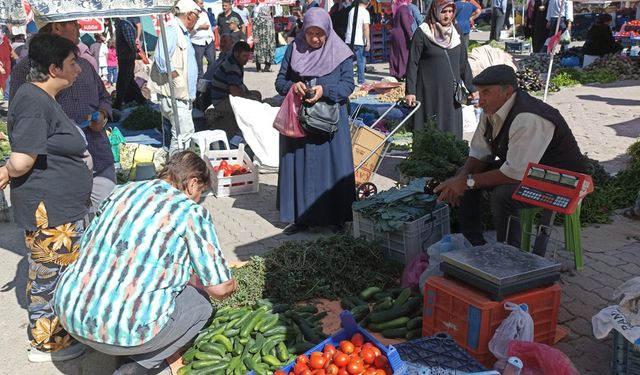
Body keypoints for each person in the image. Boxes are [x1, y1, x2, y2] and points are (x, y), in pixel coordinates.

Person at [54, 151, 237, 375]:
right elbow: (219, 288)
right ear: (192, 183)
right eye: (200, 192)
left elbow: (90, 245)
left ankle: (117, 344)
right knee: (202, 306)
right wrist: (232, 285)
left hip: (70, 314)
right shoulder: (190, 212)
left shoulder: (121, 191)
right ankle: (137, 367)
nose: (198, 199)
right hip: (125, 332)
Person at [0, 33, 92, 363]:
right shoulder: (32, 101)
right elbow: (23, 159)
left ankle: (61, 335)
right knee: (48, 278)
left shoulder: (39, 98)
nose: (78, 69)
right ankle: (47, 344)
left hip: (61, 206)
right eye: (72, 63)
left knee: (57, 273)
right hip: (50, 210)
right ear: (54, 69)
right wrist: (7, 170)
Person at [433, 65, 586, 250]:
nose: (480, 101)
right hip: (527, 170)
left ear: (507, 92)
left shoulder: (528, 118)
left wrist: (467, 182)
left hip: (561, 179)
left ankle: (509, 254)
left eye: (486, 93)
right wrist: (461, 178)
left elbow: (513, 174)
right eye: (480, 93)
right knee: (464, 176)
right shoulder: (491, 111)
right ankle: (473, 244)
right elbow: (480, 152)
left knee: (503, 195)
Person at [11, 20, 115, 218]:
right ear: (53, 70)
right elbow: (24, 130)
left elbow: (105, 98)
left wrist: (102, 114)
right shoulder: (28, 80)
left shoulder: (85, 65)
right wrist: (10, 169)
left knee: (103, 227)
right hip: (58, 177)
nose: (79, 28)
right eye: (74, 24)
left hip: (98, 158)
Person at [275, 8, 356, 235]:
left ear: (328, 31)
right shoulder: (294, 49)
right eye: (310, 33)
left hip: (329, 123)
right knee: (299, 166)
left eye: (319, 33)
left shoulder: (341, 53)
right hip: (300, 121)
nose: (315, 38)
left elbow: (348, 85)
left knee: (331, 169)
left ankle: (335, 218)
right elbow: (279, 82)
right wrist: (293, 86)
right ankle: (300, 218)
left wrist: (325, 90)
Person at [404, 0, 476, 139]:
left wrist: (472, 88)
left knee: (451, 130)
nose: (447, 16)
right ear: (435, 11)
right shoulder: (423, 32)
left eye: (450, 12)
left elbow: (463, 64)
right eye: (444, 11)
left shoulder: (457, 31)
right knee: (430, 127)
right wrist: (410, 91)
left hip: (451, 92)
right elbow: (412, 63)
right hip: (428, 92)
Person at [148, 0, 201, 155]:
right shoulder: (172, 29)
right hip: (175, 94)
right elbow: (160, 57)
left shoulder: (181, 31)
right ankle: (175, 172)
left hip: (182, 94)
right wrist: (173, 74)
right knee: (181, 135)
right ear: (189, 15)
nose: (197, 20)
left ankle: (180, 169)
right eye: (196, 16)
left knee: (184, 133)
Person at [209, 41, 261, 139]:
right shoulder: (232, 66)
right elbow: (235, 92)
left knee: (256, 94)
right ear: (237, 54)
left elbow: (239, 84)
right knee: (254, 102)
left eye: (248, 56)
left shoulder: (236, 63)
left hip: (227, 96)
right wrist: (249, 98)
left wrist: (249, 93)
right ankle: (244, 132)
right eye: (244, 56)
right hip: (221, 101)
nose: (246, 59)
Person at [114, 17, 147, 109]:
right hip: (125, 56)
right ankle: (135, 99)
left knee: (123, 80)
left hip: (126, 57)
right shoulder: (124, 25)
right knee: (128, 79)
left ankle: (119, 102)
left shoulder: (124, 24)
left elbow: (131, 42)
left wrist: (135, 51)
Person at [345, 0, 371, 85]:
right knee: (361, 61)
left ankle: (348, 79)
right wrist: (368, 41)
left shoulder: (352, 10)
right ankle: (361, 80)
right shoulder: (365, 12)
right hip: (359, 40)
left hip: (349, 39)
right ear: (367, 3)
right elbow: (366, 27)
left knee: (349, 61)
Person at [388, 0, 414, 81]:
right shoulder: (404, 8)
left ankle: (396, 73)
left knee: (396, 55)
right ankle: (402, 74)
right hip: (402, 35)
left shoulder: (398, 7)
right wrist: (410, 35)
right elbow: (405, 22)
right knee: (403, 55)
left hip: (395, 34)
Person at [192, 0, 216, 79]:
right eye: (201, 3)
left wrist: (212, 37)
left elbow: (208, 26)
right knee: (199, 65)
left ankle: (208, 78)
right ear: (195, 4)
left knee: (212, 62)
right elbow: (189, 27)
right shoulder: (190, 14)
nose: (203, 5)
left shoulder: (204, 13)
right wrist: (200, 27)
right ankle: (200, 84)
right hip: (197, 42)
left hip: (208, 41)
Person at [253, 6, 276, 72]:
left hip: (269, 40)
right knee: (258, 52)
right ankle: (258, 68)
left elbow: (272, 29)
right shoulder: (257, 19)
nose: (269, 12)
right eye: (268, 10)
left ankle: (267, 67)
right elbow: (254, 29)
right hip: (260, 39)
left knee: (269, 52)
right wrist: (255, 37)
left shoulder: (270, 19)